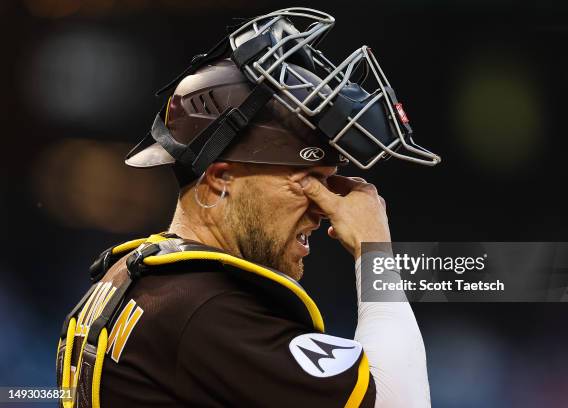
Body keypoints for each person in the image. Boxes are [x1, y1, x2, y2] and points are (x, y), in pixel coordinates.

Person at [56, 8, 438, 408]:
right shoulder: (205, 311)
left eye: (328, 181)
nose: (325, 207)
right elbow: (401, 402)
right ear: (220, 178)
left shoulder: (131, 278)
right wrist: (374, 253)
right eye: (306, 180)